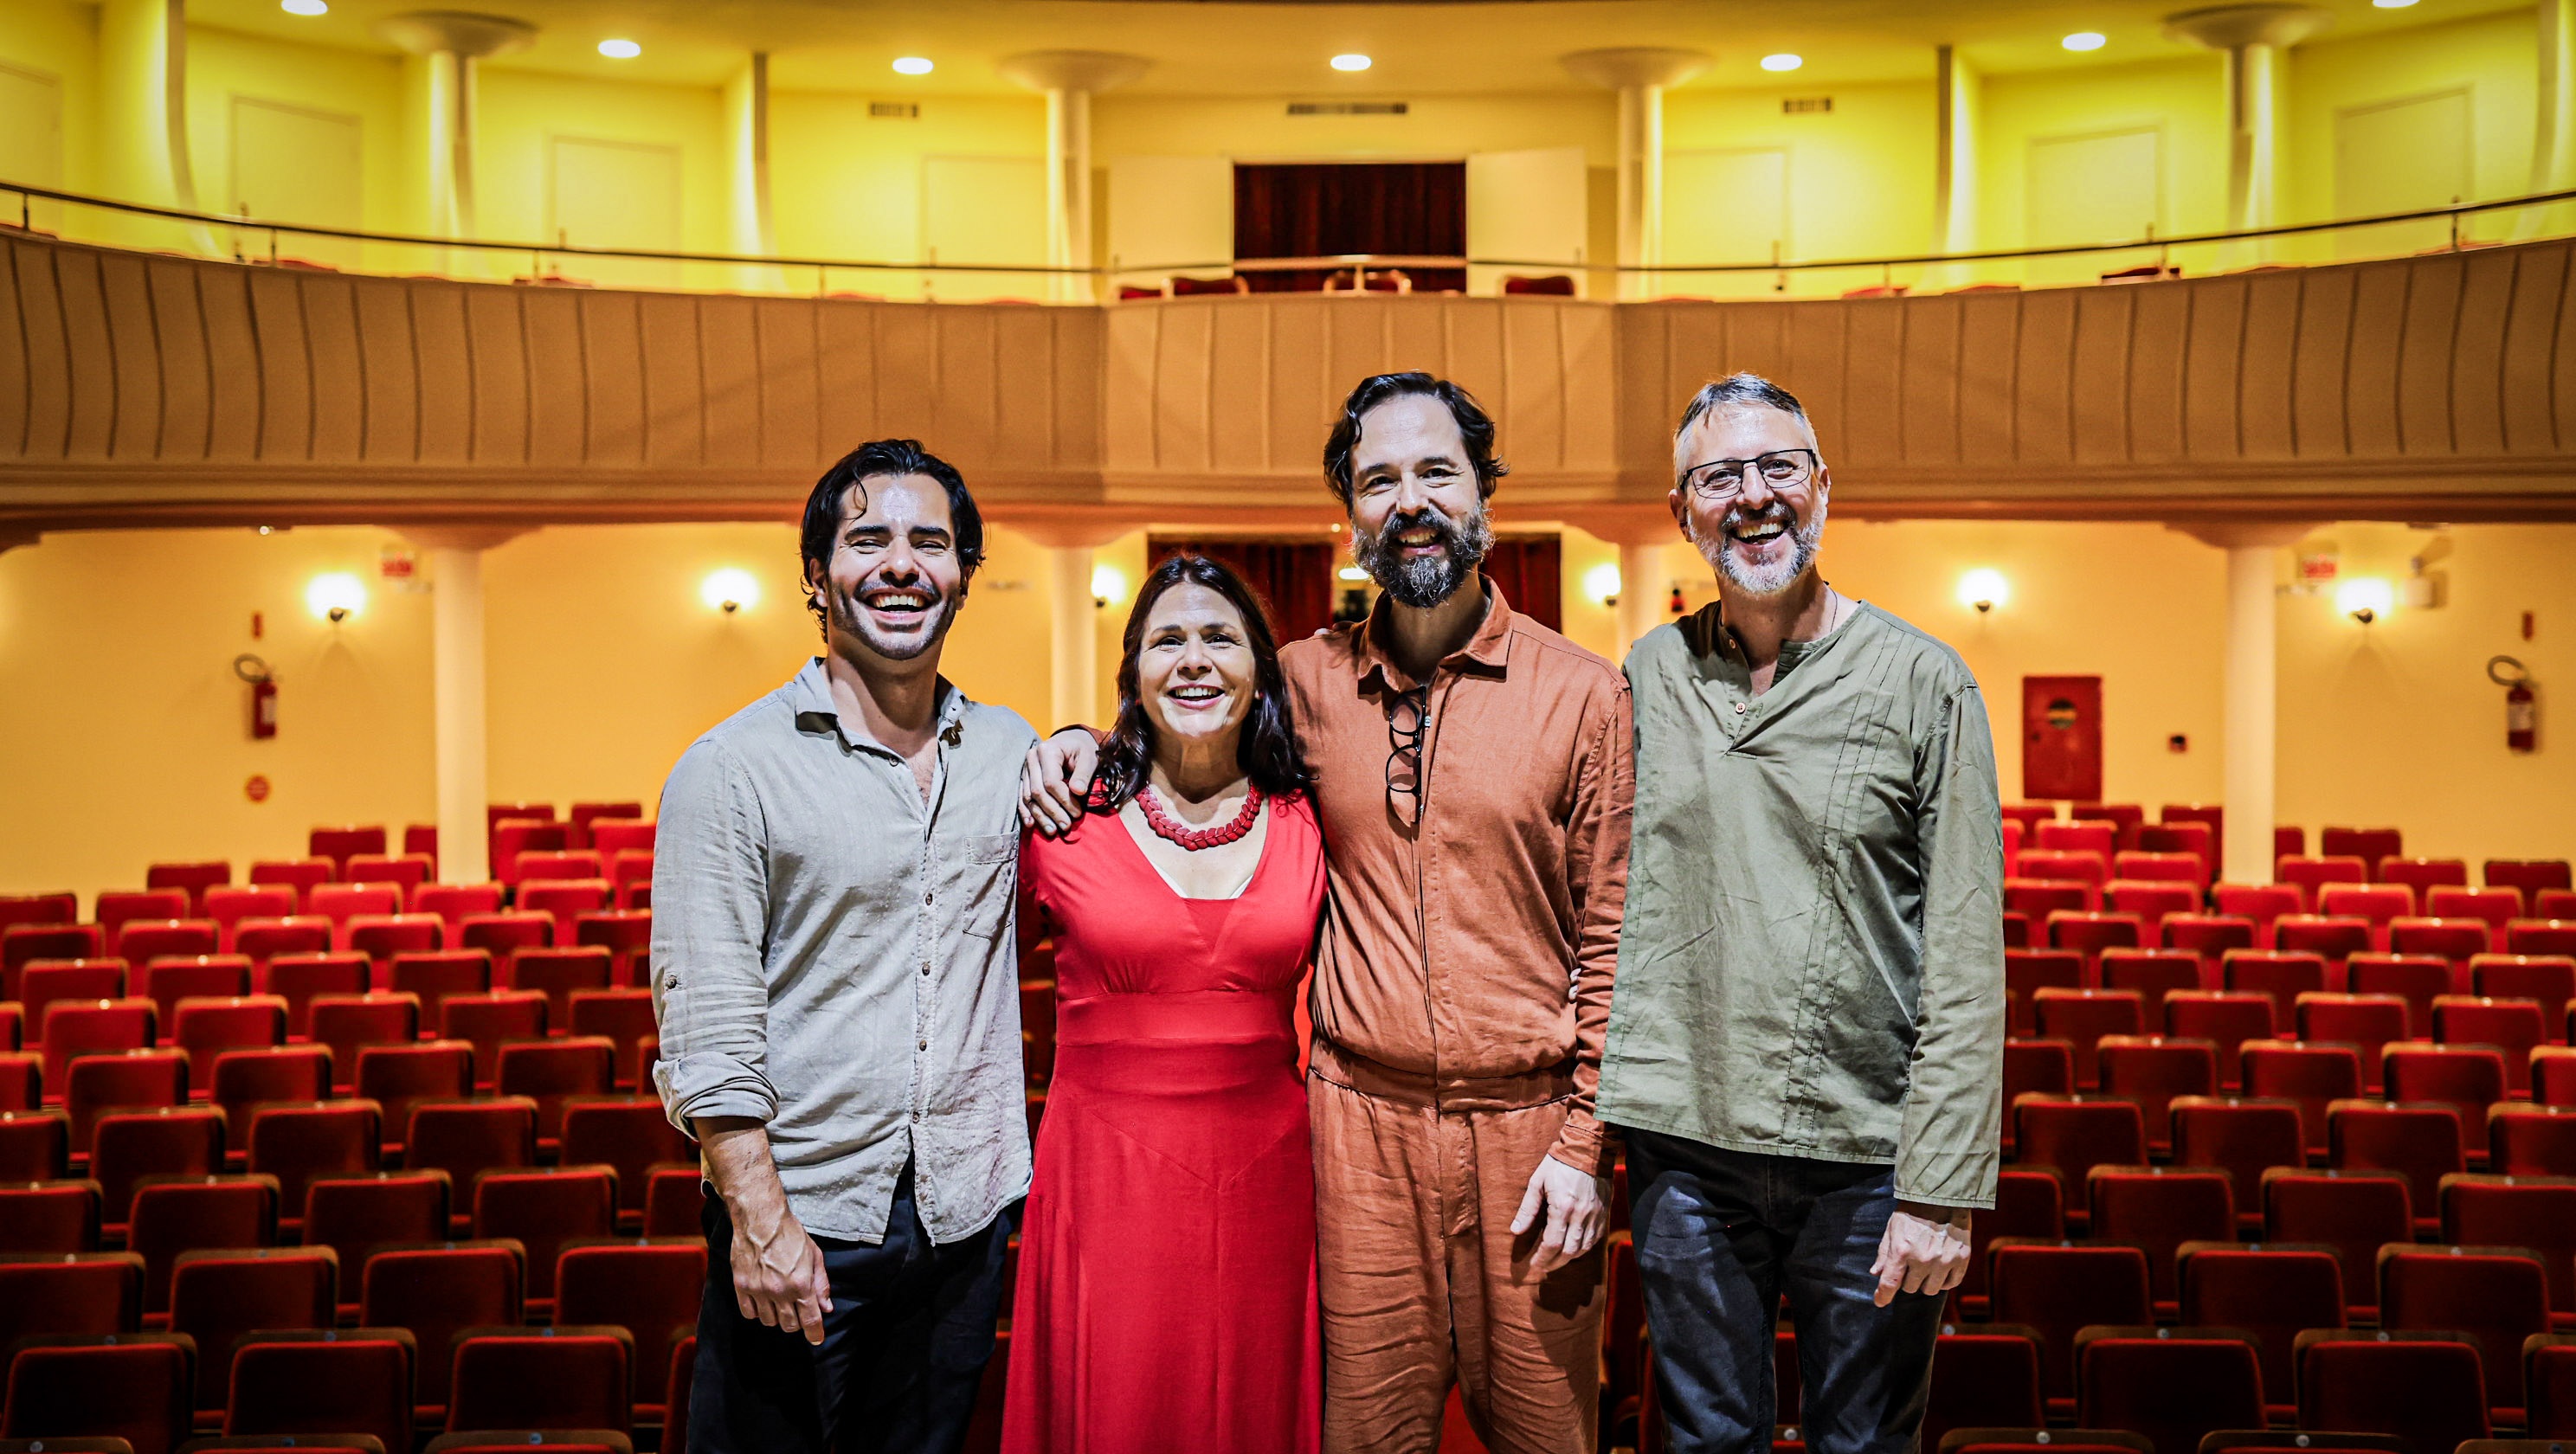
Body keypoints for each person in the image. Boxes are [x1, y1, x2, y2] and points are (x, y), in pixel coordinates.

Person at [1024, 372, 1632, 1454]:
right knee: (1362, 1439)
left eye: (1437, 471)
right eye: (1379, 480)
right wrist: (1079, 742)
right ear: (1350, 515)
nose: (1411, 501)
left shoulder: (1584, 695)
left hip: (1530, 1130)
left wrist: (1587, 1145)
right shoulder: (1304, 682)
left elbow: (1618, 939)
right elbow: (1186, 717)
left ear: (1486, 492)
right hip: (1358, 1133)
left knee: (1548, 1437)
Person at [1598, 373, 2006, 1454]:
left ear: (1823, 485)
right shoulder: (1650, 673)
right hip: (1685, 1145)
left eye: (1779, 466)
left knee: (1864, 1445)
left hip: (1867, 1155)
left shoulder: (1927, 682)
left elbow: (1967, 954)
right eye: (1720, 476)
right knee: (1703, 1439)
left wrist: (1940, 1190)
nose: (1754, 495)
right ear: (1682, 510)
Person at [651, 439, 1036, 1454]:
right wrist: (760, 1222)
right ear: (817, 576)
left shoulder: (1010, 752)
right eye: (868, 541)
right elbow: (705, 1027)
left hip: (963, 1220)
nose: (901, 564)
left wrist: (1085, 740)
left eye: (930, 543)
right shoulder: (730, 768)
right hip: (805, 1221)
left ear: (963, 575)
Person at [1001, 554, 1325, 1454]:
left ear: (1259, 668)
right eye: (1167, 641)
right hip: (1105, 1179)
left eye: (1220, 638)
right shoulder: (1063, 817)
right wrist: (1069, 737)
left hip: (1270, 1175)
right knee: (1119, 1400)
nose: (1194, 660)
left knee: (1256, 1401)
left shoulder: (1311, 817)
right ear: (1133, 673)